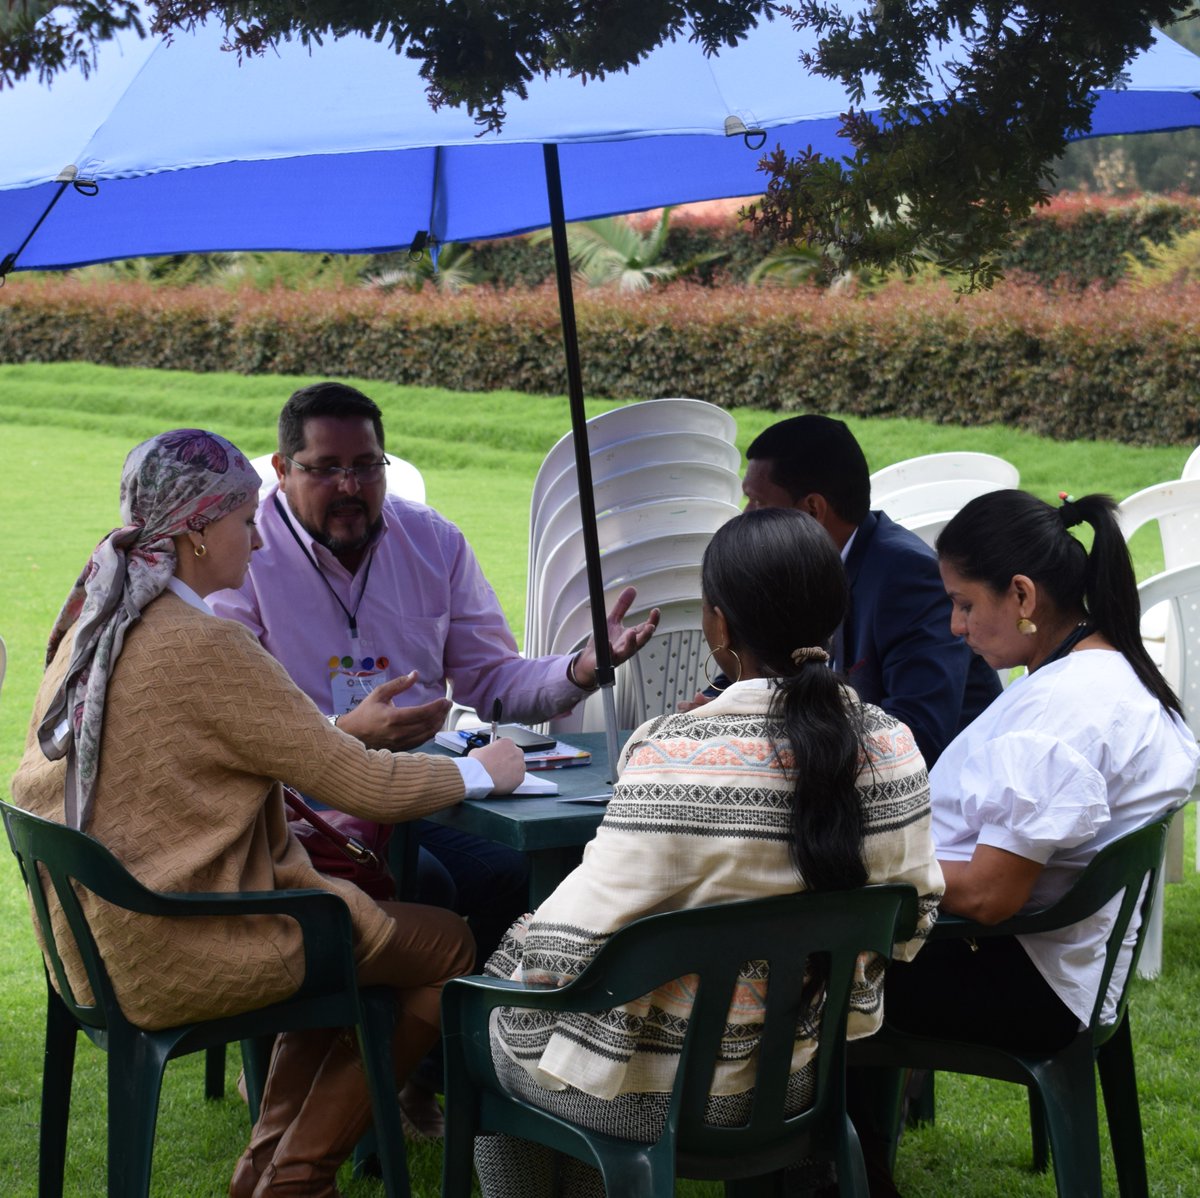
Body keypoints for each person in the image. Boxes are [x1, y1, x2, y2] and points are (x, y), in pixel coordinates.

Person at [9, 429, 526, 1198]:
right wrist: (482, 772)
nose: (257, 539)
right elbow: (363, 785)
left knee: (347, 934)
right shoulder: (205, 645)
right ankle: (297, 1175)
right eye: (245, 520)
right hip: (182, 946)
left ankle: (266, 1168)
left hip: (99, 944)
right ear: (197, 532)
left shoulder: (97, 622)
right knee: (447, 943)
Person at [471, 507, 945, 1198]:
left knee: (495, 1022)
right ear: (834, 615)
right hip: (801, 1081)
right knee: (558, 1041)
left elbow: (565, 951)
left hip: (662, 1099)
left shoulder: (675, 755)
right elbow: (911, 923)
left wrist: (516, 949)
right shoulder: (894, 746)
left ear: (718, 625)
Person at [209, 382, 660, 964]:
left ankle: (481, 1018)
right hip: (300, 805)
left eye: (366, 466)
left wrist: (578, 670)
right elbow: (239, 724)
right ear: (282, 469)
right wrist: (343, 733)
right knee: (429, 882)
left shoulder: (431, 541)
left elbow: (491, 681)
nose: (349, 487)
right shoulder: (247, 552)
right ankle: (411, 1016)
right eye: (325, 469)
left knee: (531, 872)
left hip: (422, 793)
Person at [855, 490, 1200, 1198]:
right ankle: (850, 1165)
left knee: (803, 967)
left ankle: (831, 1170)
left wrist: (869, 865)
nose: (954, 627)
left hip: (1024, 978)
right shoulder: (1112, 669)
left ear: (1021, 595)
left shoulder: (1063, 712)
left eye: (963, 604)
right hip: (1064, 969)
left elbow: (990, 895)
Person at [735, 414, 1002, 766]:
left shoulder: (908, 580)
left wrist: (780, 741)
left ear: (812, 510)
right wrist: (715, 706)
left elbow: (917, 735)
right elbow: (759, 661)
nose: (745, 516)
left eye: (757, 502)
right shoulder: (798, 561)